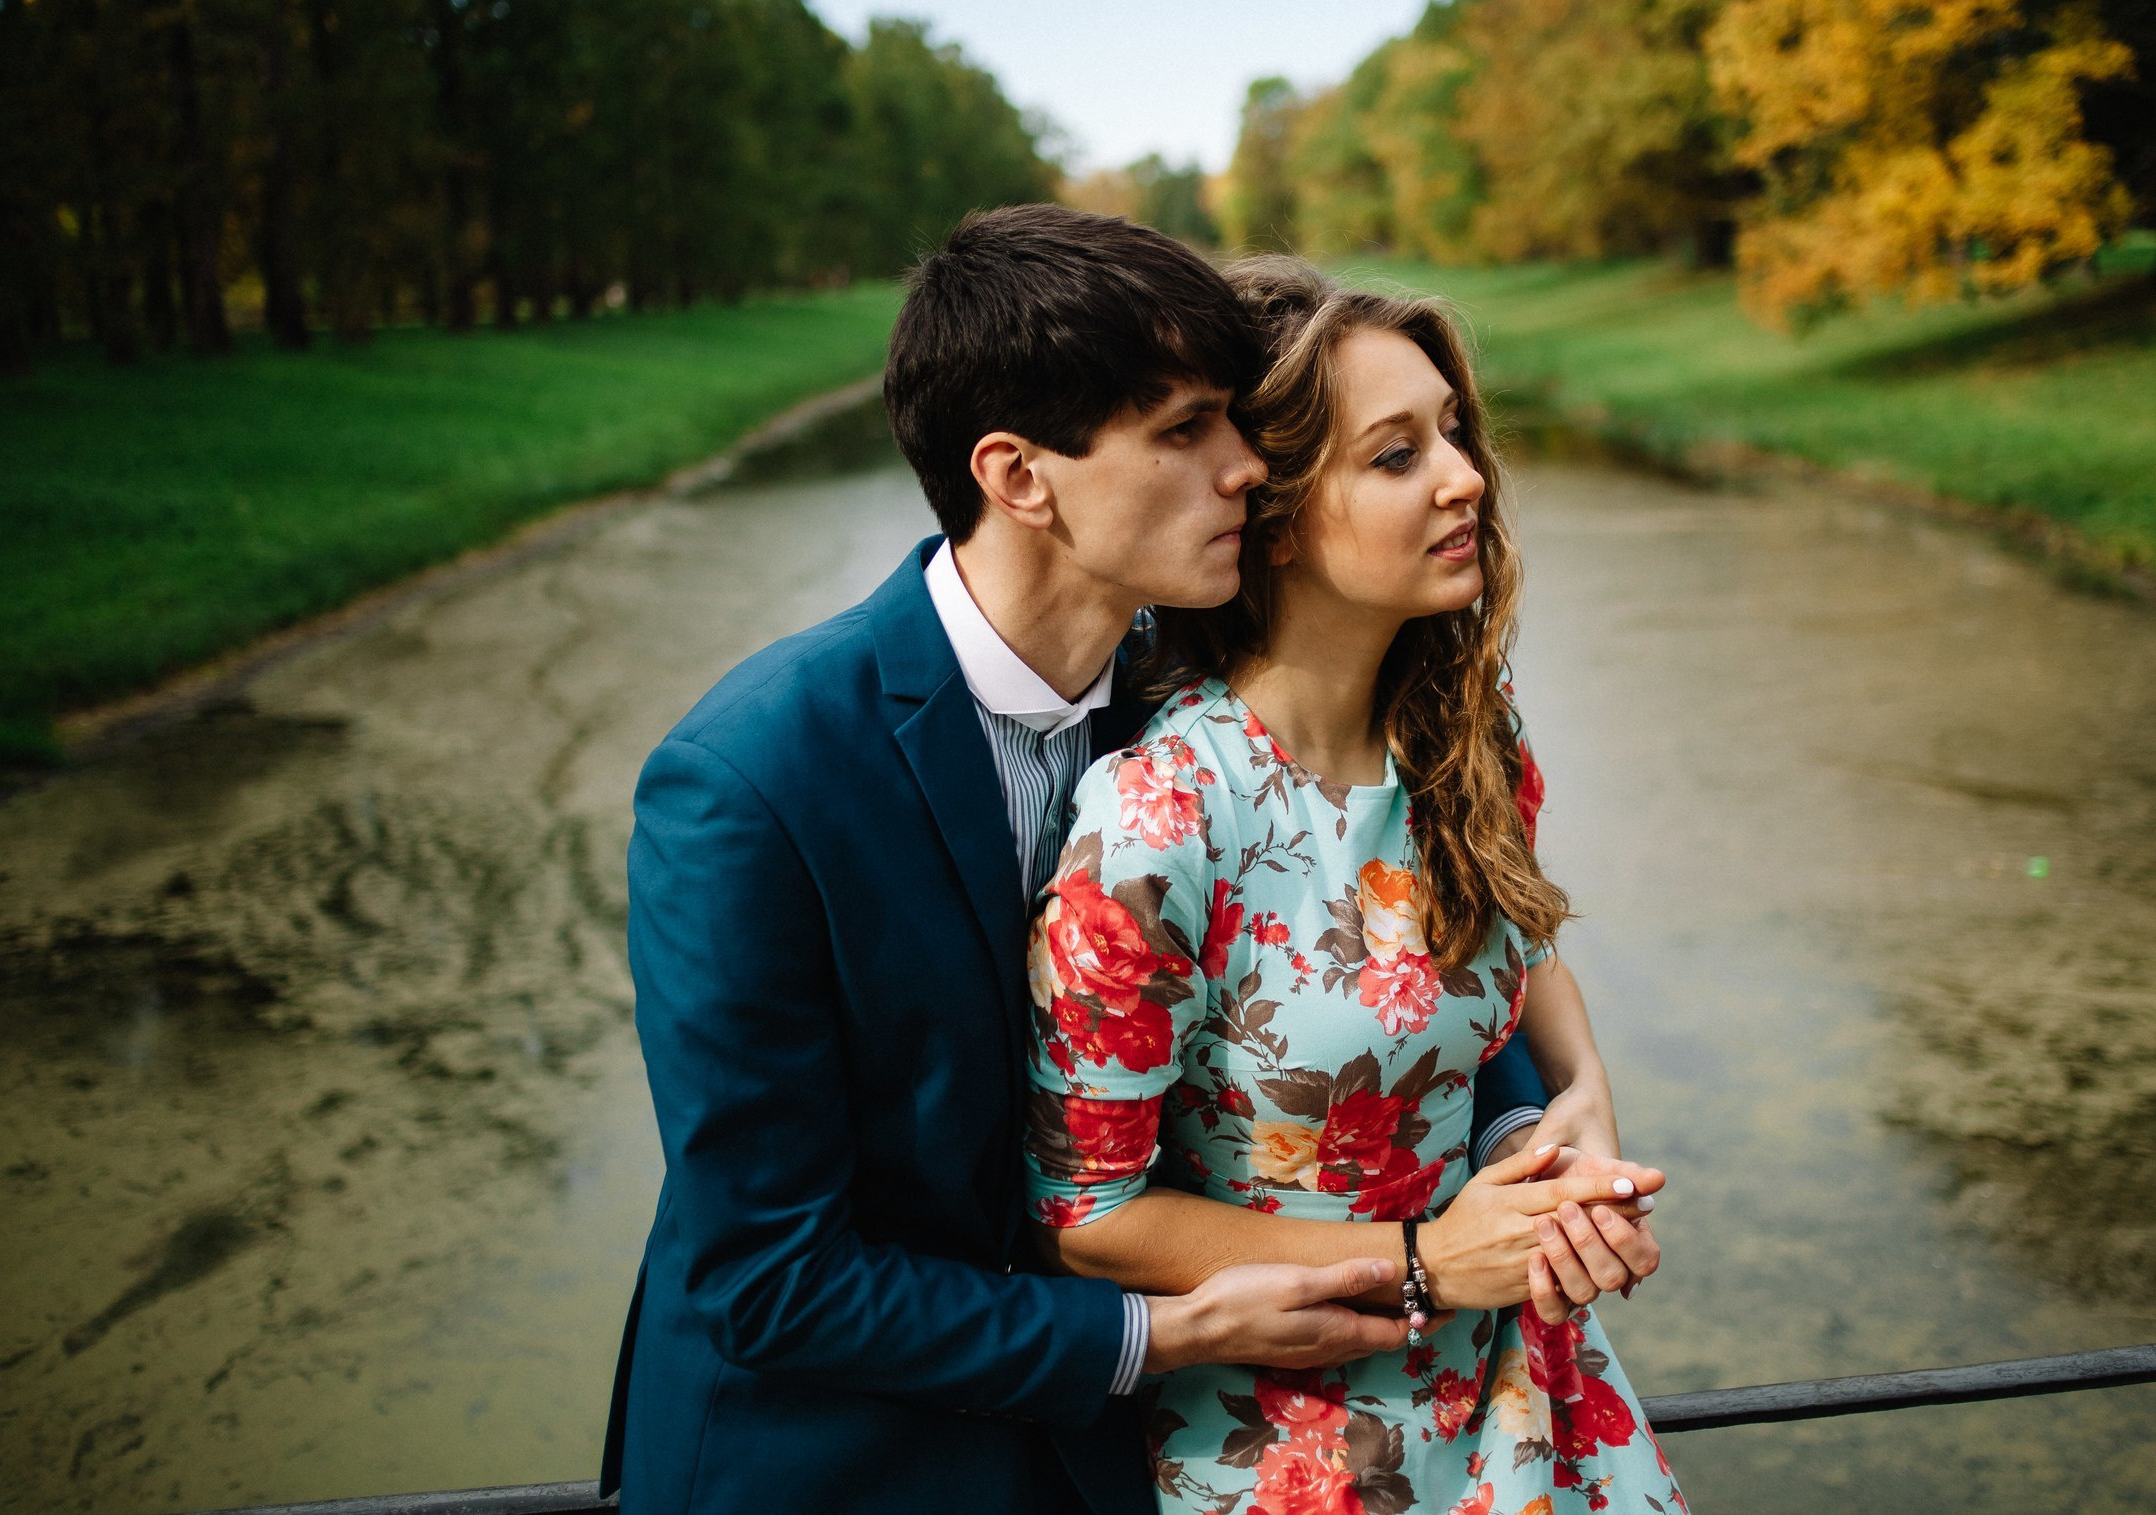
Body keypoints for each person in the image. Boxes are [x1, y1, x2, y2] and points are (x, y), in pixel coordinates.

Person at [599, 208, 1633, 1515]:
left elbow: (1385, 962)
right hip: (835, 1457)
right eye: (1187, 429)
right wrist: (1163, 1333)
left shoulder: (1189, 701)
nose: (1247, 466)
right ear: (1020, 476)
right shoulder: (752, 782)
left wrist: (1532, 1120)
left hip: (1125, 1459)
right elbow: (772, 1278)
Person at [1023, 256, 1688, 1513]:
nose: (1465, 478)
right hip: (1295, 1440)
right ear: (1270, 514)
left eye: (1452, 432)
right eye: (1396, 456)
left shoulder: (1462, 732)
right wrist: (1429, 1259)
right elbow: (1090, 1216)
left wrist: (1577, 1107)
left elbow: (1515, 933)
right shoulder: (1162, 821)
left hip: (1526, 1394)